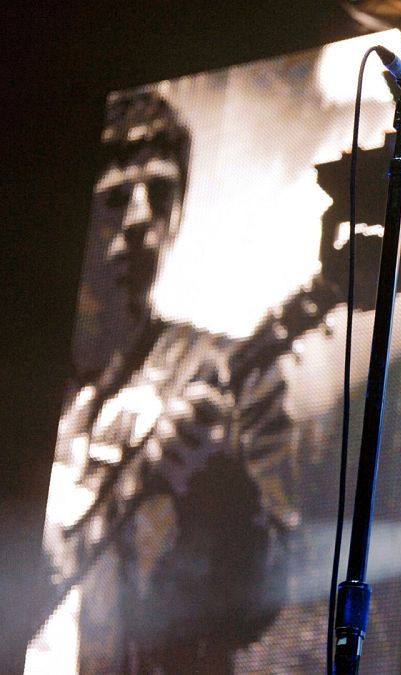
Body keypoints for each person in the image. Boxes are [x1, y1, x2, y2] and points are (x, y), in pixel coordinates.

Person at [36, 90, 297, 672]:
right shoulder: (25, 380)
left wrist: (220, 482)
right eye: (114, 197)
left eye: (160, 193)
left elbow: (265, 598)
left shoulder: (226, 374)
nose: (138, 219)